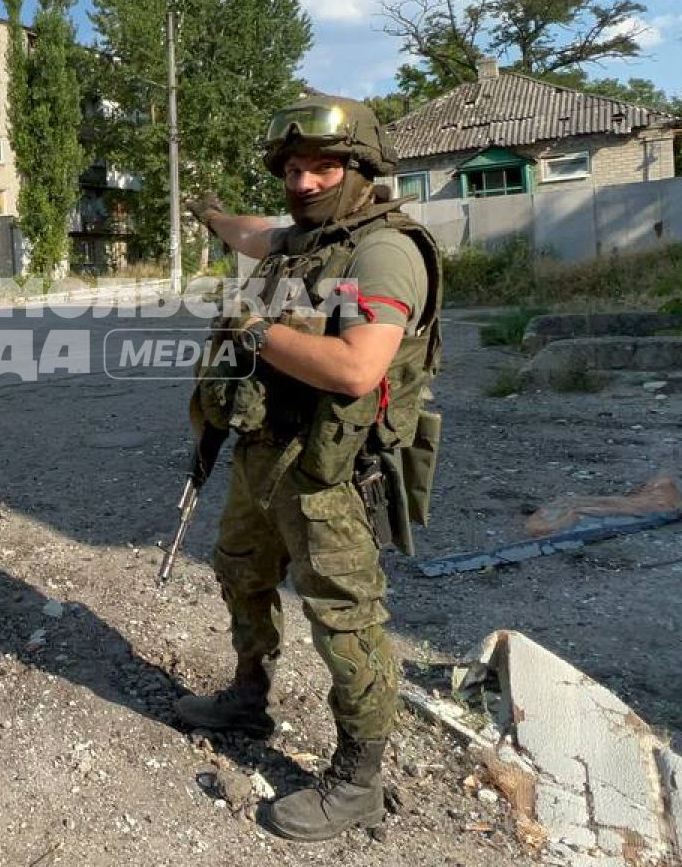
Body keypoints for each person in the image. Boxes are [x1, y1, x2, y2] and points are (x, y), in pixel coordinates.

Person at [177, 95, 443, 842]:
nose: (303, 181)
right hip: (263, 455)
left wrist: (254, 330)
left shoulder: (383, 252)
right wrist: (210, 216)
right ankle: (247, 697)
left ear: (360, 169)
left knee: (345, 620)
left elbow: (359, 368)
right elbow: (250, 233)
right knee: (241, 572)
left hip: (327, 471)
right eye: (293, 169)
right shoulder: (305, 240)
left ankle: (358, 779)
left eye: (322, 166)